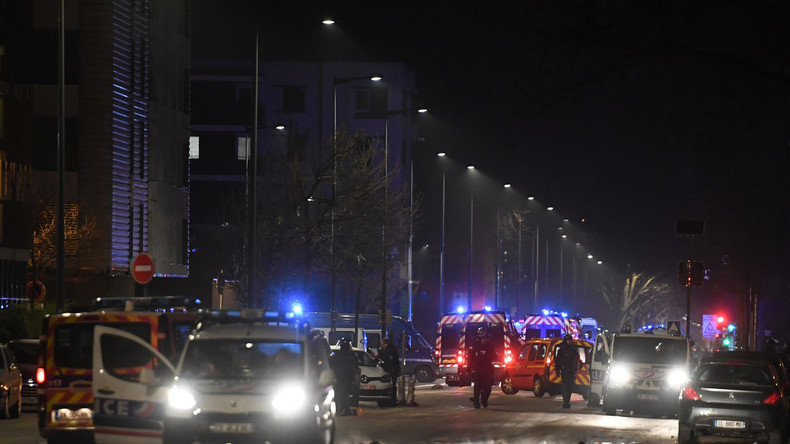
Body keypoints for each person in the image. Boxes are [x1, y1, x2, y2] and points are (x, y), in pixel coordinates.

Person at [468, 327, 496, 409]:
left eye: (486, 338)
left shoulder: (490, 347)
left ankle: (484, 399)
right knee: (477, 386)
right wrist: (469, 367)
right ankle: (476, 403)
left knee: (488, 387)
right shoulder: (475, 346)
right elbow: (470, 357)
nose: (484, 340)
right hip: (477, 369)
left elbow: (494, 356)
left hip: (487, 370)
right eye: (483, 338)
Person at [330, 339, 358, 416]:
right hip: (349, 377)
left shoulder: (338, 355)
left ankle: (344, 409)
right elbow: (356, 366)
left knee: (340, 393)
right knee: (345, 393)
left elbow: (331, 364)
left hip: (340, 377)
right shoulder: (353, 355)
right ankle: (344, 409)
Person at [556, 333, 581, 408]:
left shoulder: (573, 350)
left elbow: (577, 358)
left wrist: (580, 364)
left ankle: (567, 401)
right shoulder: (561, 350)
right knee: (565, 386)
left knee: (569, 387)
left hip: (571, 371)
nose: (569, 341)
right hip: (565, 370)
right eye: (568, 340)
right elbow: (558, 361)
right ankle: (565, 401)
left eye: (570, 340)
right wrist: (557, 370)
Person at [378, 337, 400, 405]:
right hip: (392, 369)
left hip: (392, 370)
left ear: (385, 343)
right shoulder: (390, 349)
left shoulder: (390, 350)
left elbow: (389, 360)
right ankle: (392, 398)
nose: (381, 345)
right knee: (392, 385)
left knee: (392, 385)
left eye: (382, 344)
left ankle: (393, 399)